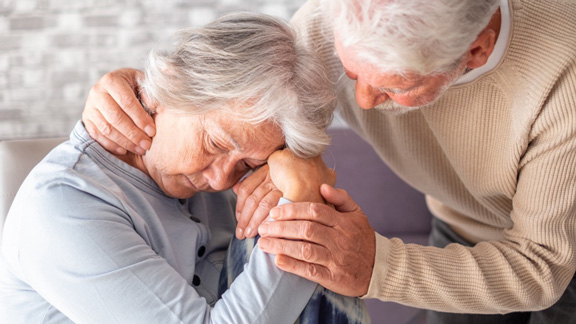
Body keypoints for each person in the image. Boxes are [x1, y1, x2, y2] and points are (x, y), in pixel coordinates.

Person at [80, 0, 576, 323]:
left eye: (393, 87)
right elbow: (226, 90)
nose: (360, 103)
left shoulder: (564, 75)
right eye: (350, 70)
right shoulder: (334, 20)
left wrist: (374, 263)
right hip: (460, 226)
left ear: (476, 50)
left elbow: (543, 267)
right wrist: (135, 90)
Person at [0, 12, 371, 324]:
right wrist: (302, 200)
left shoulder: (208, 178)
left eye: (248, 163)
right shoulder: (66, 206)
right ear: (170, 85)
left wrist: (298, 171)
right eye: (215, 144)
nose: (221, 179)